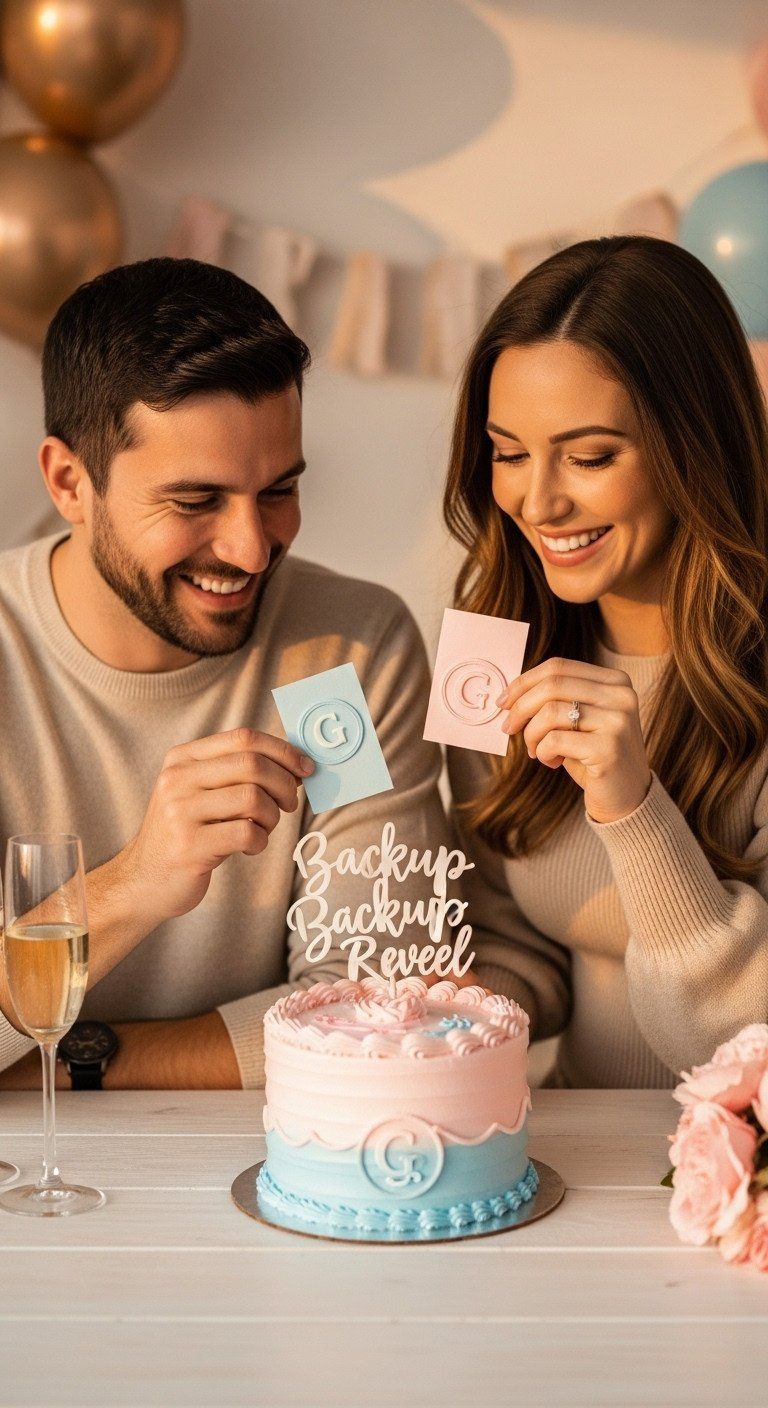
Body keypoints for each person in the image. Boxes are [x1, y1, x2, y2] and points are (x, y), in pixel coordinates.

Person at [0, 257, 449, 1090]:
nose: (250, 550)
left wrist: (68, 1064)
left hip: (264, 1173)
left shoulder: (349, 650)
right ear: (70, 482)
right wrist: (138, 881)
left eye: (277, 490)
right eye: (196, 501)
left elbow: (378, 1019)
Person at [444, 234, 768, 1088]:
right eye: (509, 452)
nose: (538, 500)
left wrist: (635, 809)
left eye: (589, 457)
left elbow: (751, 1049)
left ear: (694, 442)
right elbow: (512, 931)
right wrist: (461, 1008)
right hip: (562, 1171)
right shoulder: (491, 644)